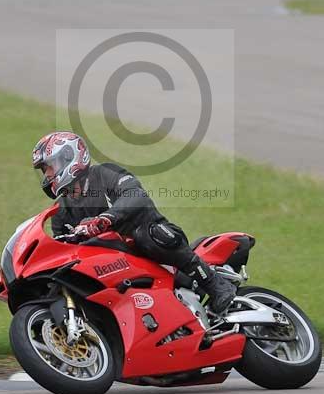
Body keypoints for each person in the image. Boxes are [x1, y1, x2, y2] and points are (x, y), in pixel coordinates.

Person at [32, 131, 236, 315]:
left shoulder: (104, 174)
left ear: (69, 157)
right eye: (44, 170)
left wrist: (105, 219)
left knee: (147, 235)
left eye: (49, 167)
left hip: (151, 243)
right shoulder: (60, 212)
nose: (47, 175)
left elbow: (136, 195)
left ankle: (215, 284)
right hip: (111, 263)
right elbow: (63, 248)